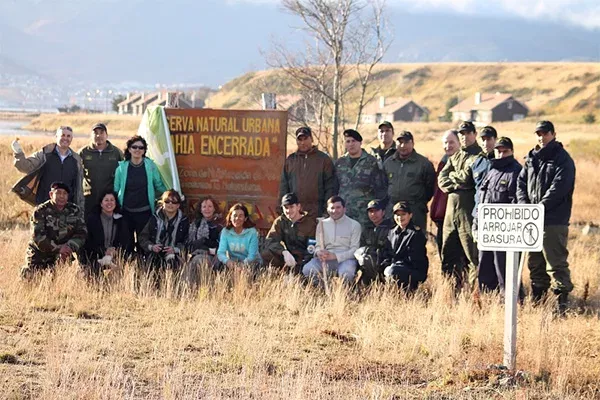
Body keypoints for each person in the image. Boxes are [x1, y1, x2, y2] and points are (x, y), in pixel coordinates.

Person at [517, 121, 576, 314]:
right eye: (538, 134)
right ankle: (538, 302)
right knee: (535, 263)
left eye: (545, 134)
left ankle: (562, 305)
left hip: (553, 220)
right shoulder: (531, 158)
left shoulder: (562, 159)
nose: (541, 137)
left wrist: (539, 209)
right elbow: (521, 183)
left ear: (554, 134)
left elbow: (559, 188)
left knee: (556, 262)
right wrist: (525, 207)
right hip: (532, 220)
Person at [437, 121, 483, 290]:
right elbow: (442, 179)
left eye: (467, 133)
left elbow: (466, 177)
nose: (464, 137)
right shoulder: (456, 155)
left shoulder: (479, 156)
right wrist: (457, 181)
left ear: (474, 134)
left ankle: (475, 292)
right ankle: (452, 291)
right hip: (451, 212)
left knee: (472, 255)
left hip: (468, 211)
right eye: (461, 134)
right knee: (448, 253)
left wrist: (455, 179)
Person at [477, 137, 522, 293]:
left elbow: (517, 203)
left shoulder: (516, 171)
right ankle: (487, 302)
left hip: (505, 232)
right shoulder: (492, 171)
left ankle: (512, 302)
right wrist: (477, 223)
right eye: (498, 151)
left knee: (504, 269)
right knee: (484, 267)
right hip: (487, 229)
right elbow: (481, 199)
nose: (501, 155)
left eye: (505, 151)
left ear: (512, 151)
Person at [21, 182, 87, 279]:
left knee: (60, 282)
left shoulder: (74, 210)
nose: (62, 196)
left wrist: (69, 247)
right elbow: (38, 238)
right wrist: (59, 249)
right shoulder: (40, 211)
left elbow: (82, 232)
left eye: (65, 194)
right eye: (58, 193)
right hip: (40, 255)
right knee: (30, 280)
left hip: (63, 255)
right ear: (51, 195)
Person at [114, 135, 167, 251]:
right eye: (134, 147)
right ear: (129, 149)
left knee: (144, 244)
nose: (137, 150)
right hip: (126, 212)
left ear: (144, 150)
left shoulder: (150, 166)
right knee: (127, 245)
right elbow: (115, 190)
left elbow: (158, 185)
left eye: (141, 148)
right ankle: (129, 267)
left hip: (145, 212)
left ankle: (143, 268)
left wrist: (169, 196)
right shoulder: (121, 168)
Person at [11, 126, 84, 209]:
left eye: (68, 136)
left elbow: (79, 188)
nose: (65, 138)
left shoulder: (76, 160)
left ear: (72, 138)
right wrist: (18, 153)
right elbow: (25, 167)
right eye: (62, 135)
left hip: (67, 208)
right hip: (44, 206)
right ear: (56, 137)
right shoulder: (45, 154)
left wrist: (80, 207)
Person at [383, 130, 436, 233]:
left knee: (416, 242)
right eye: (400, 142)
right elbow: (383, 185)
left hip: (415, 210)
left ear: (412, 143)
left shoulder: (423, 164)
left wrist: (418, 202)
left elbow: (430, 188)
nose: (403, 146)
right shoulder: (389, 163)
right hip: (393, 210)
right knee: (392, 242)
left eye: (406, 142)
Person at [279, 126, 337, 218]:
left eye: (305, 139)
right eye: (300, 139)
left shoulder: (323, 159)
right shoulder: (291, 160)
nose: (303, 142)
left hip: (317, 213)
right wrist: (282, 209)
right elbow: (284, 186)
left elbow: (331, 186)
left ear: (311, 139)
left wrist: (327, 210)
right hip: (295, 213)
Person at [302, 196, 361, 284]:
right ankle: (322, 291)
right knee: (307, 269)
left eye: (338, 207)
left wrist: (335, 256)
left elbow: (354, 250)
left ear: (344, 209)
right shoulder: (322, 224)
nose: (334, 211)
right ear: (327, 209)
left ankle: (345, 295)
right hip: (325, 259)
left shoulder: (354, 225)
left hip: (345, 260)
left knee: (346, 273)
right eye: (332, 208)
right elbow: (318, 245)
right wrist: (319, 253)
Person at [335, 129, 387, 227]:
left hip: (365, 216)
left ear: (360, 142)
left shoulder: (372, 162)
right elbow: (335, 188)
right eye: (348, 141)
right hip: (344, 215)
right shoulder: (339, 163)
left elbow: (380, 189)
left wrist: (377, 212)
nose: (351, 144)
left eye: (354, 141)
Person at [79, 189, 133, 279]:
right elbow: (88, 243)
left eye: (112, 200)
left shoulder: (121, 220)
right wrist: (104, 250)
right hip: (96, 255)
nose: (109, 203)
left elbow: (126, 241)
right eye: (106, 200)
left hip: (115, 255)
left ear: (115, 203)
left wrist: (115, 251)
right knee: (94, 274)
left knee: (119, 268)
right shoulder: (92, 220)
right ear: (101, 203)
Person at [139, 190, 190, 282]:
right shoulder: (154, 218)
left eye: (174, 202)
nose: (170, 204)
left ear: (178, 205)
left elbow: (188, 241)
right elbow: (142, 237)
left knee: (173, 263)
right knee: (153, 262)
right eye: (167, 201)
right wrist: (152, 247)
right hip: (156, 252)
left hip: (175, 253)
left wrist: (175, 249)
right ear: (162, 203)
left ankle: (171, 290)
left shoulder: (184, 221)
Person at [261, 193, 316, 273]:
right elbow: (270, 240)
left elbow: (311, 248)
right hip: (287, 257)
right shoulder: (280, 221)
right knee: (266, 254)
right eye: (285, 207)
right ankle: (272, 280)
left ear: (298, 207)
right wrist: (283, 252)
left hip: (304, 260)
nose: (288, 211)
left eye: (291, 207)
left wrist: (301, 263)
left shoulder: (309, 223)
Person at [79, 123, 124, 217]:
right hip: (89, 197)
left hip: (109, 199)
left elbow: (124, 173)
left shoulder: (116, 152)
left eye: (101, 132)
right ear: (91, 136)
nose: (98, 135)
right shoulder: (83, 152)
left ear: (106, 135)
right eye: (95, 133)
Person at [381, 202, 429, 292]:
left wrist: (394, 266)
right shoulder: (391, 232)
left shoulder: (416, 234)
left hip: (412, 270)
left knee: (392, 271)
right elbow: (387, 253)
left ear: (410, 215)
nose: (400, 218)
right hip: (394, 267)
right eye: (397, 215)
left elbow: (415, 260)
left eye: (403, 214)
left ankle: (407, 292)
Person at [430, 129, 460, 257]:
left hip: (457, 217)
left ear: (460, 143)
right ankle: (447, 277)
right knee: (444, 253)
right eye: (446, 143)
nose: (448, 146)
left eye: (452, 142)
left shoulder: (464, 163)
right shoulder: (443, 162)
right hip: (442, 217)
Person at [354, 199, 394, 285]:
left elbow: (391, 250)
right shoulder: (367, 229)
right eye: (370, 211)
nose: (373, 214)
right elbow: (361, 247)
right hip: (368, 263)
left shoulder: (390, 228)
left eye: (376, 211)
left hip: (385, 263)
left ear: (383, 212)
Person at [471, 126, 497, 234]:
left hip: (497, 216)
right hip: (479, 213)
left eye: (489, 139)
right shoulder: (477, 162)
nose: (486, 143)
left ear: (495, 139)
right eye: (483, 140)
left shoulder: (502, 161)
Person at [217, 203, 260, 268]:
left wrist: (242, 265)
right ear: (230, 218)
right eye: (235, 215)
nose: (237, 218)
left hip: (251, 263)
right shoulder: (225, 231)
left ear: (245, 218)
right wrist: (227, 261)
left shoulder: (252, 232)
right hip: (233, 263)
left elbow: (252, 255)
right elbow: (220, 252)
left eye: (240, 216)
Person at [187, 196, 224, 270]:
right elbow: (189, 244)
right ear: (200, 210)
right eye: (204, 207)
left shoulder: (220, 225)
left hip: (214, 256)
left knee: (201, 261)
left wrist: (206, 243)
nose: (207, 209)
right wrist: (200, 242)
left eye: (210, 206)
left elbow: (222, 246)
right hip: (196, 253)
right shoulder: (195, 224)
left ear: (214, 209)